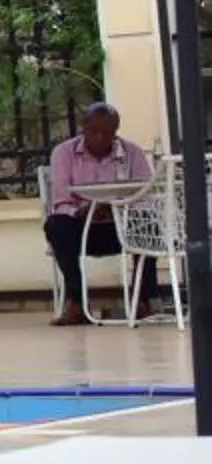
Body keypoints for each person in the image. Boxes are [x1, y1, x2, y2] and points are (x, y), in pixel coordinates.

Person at [45, 101, 154, 327]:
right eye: (94, 131)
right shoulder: (63, 153)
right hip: (80, 228)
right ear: (83, 128)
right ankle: (76, 302)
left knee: (151, 224)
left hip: (120, 226)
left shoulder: (132, 153)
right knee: (56, 225)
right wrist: (84, 212)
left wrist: (118, 208)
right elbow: (61, 200)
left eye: (107, 133)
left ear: (116, 132)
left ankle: (142, 300)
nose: (100, 138)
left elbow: (145, 196)